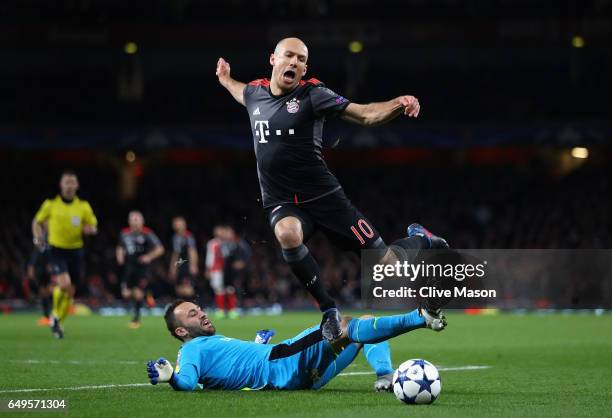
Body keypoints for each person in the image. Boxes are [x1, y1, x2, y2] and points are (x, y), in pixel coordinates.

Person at [216, 37, 448, 340]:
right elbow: (239, 92)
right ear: (273, 60)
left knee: (386, 267)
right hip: (282, 200)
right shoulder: (255, 92)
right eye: (289, 56)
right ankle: (329, 310)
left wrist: (398, 103)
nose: (294, 63)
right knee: (287, 233)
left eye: (300, 59)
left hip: (325, 197)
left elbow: (365, 114)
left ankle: (421, 240)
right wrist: (224, 79)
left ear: (305, 68)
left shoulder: (314, 94)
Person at [146, 300, 446, 391]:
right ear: (182, 329)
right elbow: (187, 381)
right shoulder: (190, 350)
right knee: (340, 326)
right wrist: (171, 376)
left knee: (359, 326)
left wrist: (258, 344)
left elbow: (232, 367)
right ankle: (420, 316)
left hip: (299, 377)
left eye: (199, 308)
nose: (202, 312)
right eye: (193, 314)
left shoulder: (209, 343)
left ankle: (384, 375)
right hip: (283, 362)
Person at [32, 170, 98, 338]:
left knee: (70, 292)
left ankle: (57, 321)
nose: (69, 185)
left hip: (76, 251)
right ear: (61, 185)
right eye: (66, 182)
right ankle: (55, 313)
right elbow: (37, 221)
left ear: (77, 186)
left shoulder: (83, 206)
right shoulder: (51, 204)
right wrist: (38, 236)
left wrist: (89, 229)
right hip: (57, 250)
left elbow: (93, 226)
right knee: (63, 284)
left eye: (72, 182)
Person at [116, 211, 164, 328]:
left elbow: (160, 249)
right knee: (126, 294)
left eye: (138, 219)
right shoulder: (124, 233)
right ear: (129, 221)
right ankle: (147, 294)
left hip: (142, 269)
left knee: (137, 293)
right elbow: (120, 246)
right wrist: (120, 256)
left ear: (142, 222)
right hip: (129, 267)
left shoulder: (147, 233)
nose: (136, 222)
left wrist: (149, 256)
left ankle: (136, 319)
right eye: (133, 219)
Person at [25, 232, 53, 326]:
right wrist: (31, 271)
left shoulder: (48, 250)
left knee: (48, 292)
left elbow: (51, 263)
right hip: (41, 274)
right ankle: (47, 316)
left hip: (48, 274)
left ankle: (51, 315)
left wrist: (52, 269)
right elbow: (32, 263)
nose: (37, 242)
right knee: (44, 293)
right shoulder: (38, 250)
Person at [168, 216, 199, 300]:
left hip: (186, 264)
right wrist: (173, 268)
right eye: (175, 223)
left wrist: (193, 265)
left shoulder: (188, 236)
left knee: (188, 289)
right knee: (179, 289)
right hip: (180, 264)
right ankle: (184, 308)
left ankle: (194, 305)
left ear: (184, 225)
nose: (176, 225)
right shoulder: (175, 237)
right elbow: (175, 254)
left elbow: (192, 251)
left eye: (178, 223)